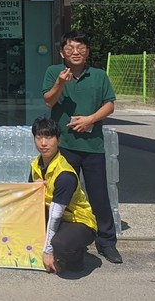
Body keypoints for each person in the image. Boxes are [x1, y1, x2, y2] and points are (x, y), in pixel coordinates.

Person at [42, 30, 122, 264]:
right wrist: (60, 83)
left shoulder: (99, 75)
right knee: (62, 195)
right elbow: (49, 101)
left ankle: (106, 242)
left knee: (99, 195)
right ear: (62, 53)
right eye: (70, 48)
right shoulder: (54, 72)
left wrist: (90, 120)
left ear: (87, 52)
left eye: (80, 48)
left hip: (92, 145)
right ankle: (60, 239)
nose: (75, 52)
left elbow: (110, 105)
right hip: (64, 146)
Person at [29, 117, 97, 274]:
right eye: (39, 137)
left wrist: (48, 252)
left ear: (58, 140)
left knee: (60, 245)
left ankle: (75, 257)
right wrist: (34, 187)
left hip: (78, 221)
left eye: (49, 137)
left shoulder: (65, 174)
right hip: (57, 218)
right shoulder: (35, 165)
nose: (43, 143)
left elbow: (55, 216)